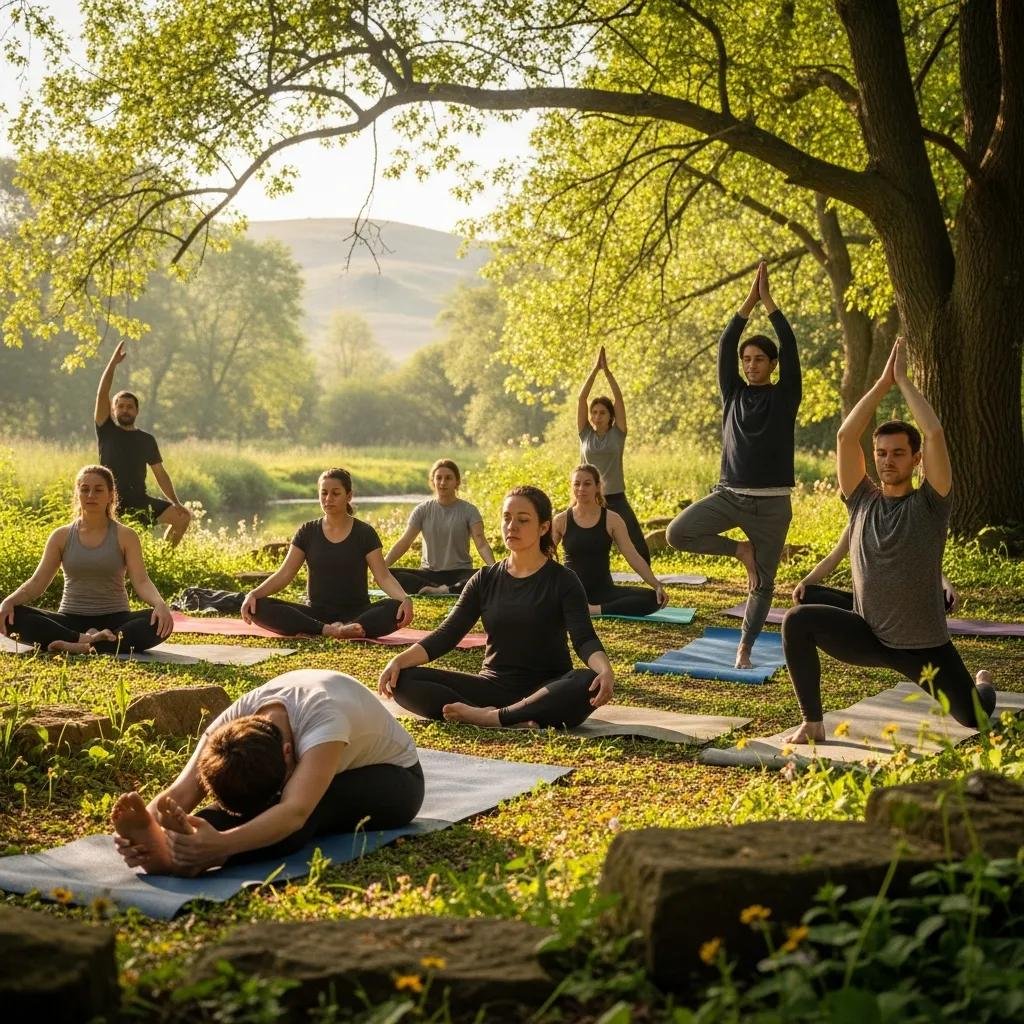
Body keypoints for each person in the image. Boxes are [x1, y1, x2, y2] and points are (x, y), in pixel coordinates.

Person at [780, 339, 996, 744]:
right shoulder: (860, 500)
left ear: (915, 459)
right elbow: (846, 437)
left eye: (898, 453)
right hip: (868, 633)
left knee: (977, 718)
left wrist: (904, 382)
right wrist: (880, 385)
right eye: (881, 452)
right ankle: (812, 722)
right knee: (798, 617)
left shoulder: (932, 505)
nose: (886, 460)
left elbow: (933, 432)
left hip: (924, 647)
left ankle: (982, 683)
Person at [111, 669, 423, 875]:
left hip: (395, 780)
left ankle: (199, 855)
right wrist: (146, 832)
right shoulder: (230, 725)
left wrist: (223, 845)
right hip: (318, 761)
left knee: (304, 812)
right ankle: (181, 848)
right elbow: (180, 794)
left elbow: (294, 812)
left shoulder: (324, 721)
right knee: (250, 795)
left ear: (289, 752)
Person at [378, 486, 615, 730]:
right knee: (403, 679)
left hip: (547, 690)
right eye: (506, 518)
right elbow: (447, 635)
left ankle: (492, 718)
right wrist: (398, 660)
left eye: (523, 520)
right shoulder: (485, 579)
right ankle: (502, 716)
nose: (512, 526)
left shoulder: (563, 580)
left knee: (585, 681)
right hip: (492, 688)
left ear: (544, 528)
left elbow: (584, 639)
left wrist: (605, 670)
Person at [666, 261, 801, 669]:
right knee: (677, 533)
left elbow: (791, 345)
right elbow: (726, 344)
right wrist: (749, 301)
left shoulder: (785, 395)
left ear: (772, 364)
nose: (751, 364)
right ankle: (739, 550)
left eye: (759, 359)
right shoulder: (733, 394)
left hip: (773, 504)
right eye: (747, 359)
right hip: (729, 495)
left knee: (763, 583)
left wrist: (771, 305)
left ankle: (745, 647)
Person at [0, 465, 173, 654]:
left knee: (157, 621)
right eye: (85, 489)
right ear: (78, 494)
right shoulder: (61, 536)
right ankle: (88, 641)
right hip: (70, 619)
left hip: (116, 619)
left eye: (98, 490)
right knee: (13, 615)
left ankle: (78, 644)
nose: (91, 495)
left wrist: (159, 604)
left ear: (110, 495)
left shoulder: (126, 536)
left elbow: (141, 580)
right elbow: (38, 582)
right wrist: (8, 602)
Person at [241, 468, 413, 640]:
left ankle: (348, 627)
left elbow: (383, 577)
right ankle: (330, 630)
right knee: (258, 606)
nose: (328, 499)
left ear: (349, 496)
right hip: (315, 614)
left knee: (394, 607)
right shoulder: (307, 531)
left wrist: (404, 598)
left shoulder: (365, 533)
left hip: (358, 613)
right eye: (323, 493)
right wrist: (254, 594)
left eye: (335, 493)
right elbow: (285, 574)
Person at [94, 341, 191, 544]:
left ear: (136, 411)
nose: (125, 410)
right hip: (111, 502)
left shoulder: (146, 440)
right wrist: (112, 364)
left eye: (130, 406)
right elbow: (102, 394)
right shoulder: (106, 430)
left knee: (183, 517)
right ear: (114, 411)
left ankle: (163, 561)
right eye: (120, 406)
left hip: (140, 500)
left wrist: (176, 502)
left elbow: (160, 474)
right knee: (118, 544)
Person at [552, 464, 667, 617]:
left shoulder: (612, 519)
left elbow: (632, 555)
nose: (581, 488)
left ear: (598, 486)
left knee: (654, 599)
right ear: (571, 487)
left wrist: (656, 585)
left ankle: (593, 610)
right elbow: (545, 555)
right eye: (577, 484)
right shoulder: (561, 520)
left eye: (587, 483)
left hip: (604, 591)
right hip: (571, 590)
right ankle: (582, 606)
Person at [578, 345, 650, 562]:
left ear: (611, 416)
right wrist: (594, 370)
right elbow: (581, 399)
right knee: (580, 541)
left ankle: (650, 580)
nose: (597, 416)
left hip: (616, 497)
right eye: (595, 412)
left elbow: (618, 399)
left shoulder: (618, 433)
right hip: (588, 498)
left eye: (602, 412)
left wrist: (607, 373)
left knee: (637, 543)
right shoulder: (585, 434)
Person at [384, 459, 495, 595]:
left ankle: (446, 589)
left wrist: (493, 569)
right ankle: (436, 588)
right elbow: (405, 542)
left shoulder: (469, 510)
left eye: (448, 478)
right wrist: (382, 566)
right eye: (439, 478)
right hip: (429, 574)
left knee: (485, 576)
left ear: (457, 482)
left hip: (460, 573)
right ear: (433, 481)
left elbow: (481, 544)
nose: (443, 482)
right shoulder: (422, 510)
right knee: (390, 574)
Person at [793, 523, 957, 613]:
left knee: (943, 600)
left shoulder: (898, 526)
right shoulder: (853, 527)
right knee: (807, 594)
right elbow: (831, 560)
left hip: (895, 604)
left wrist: (947, 586)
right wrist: (804, 582)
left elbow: (926, 561)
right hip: (862, 603)